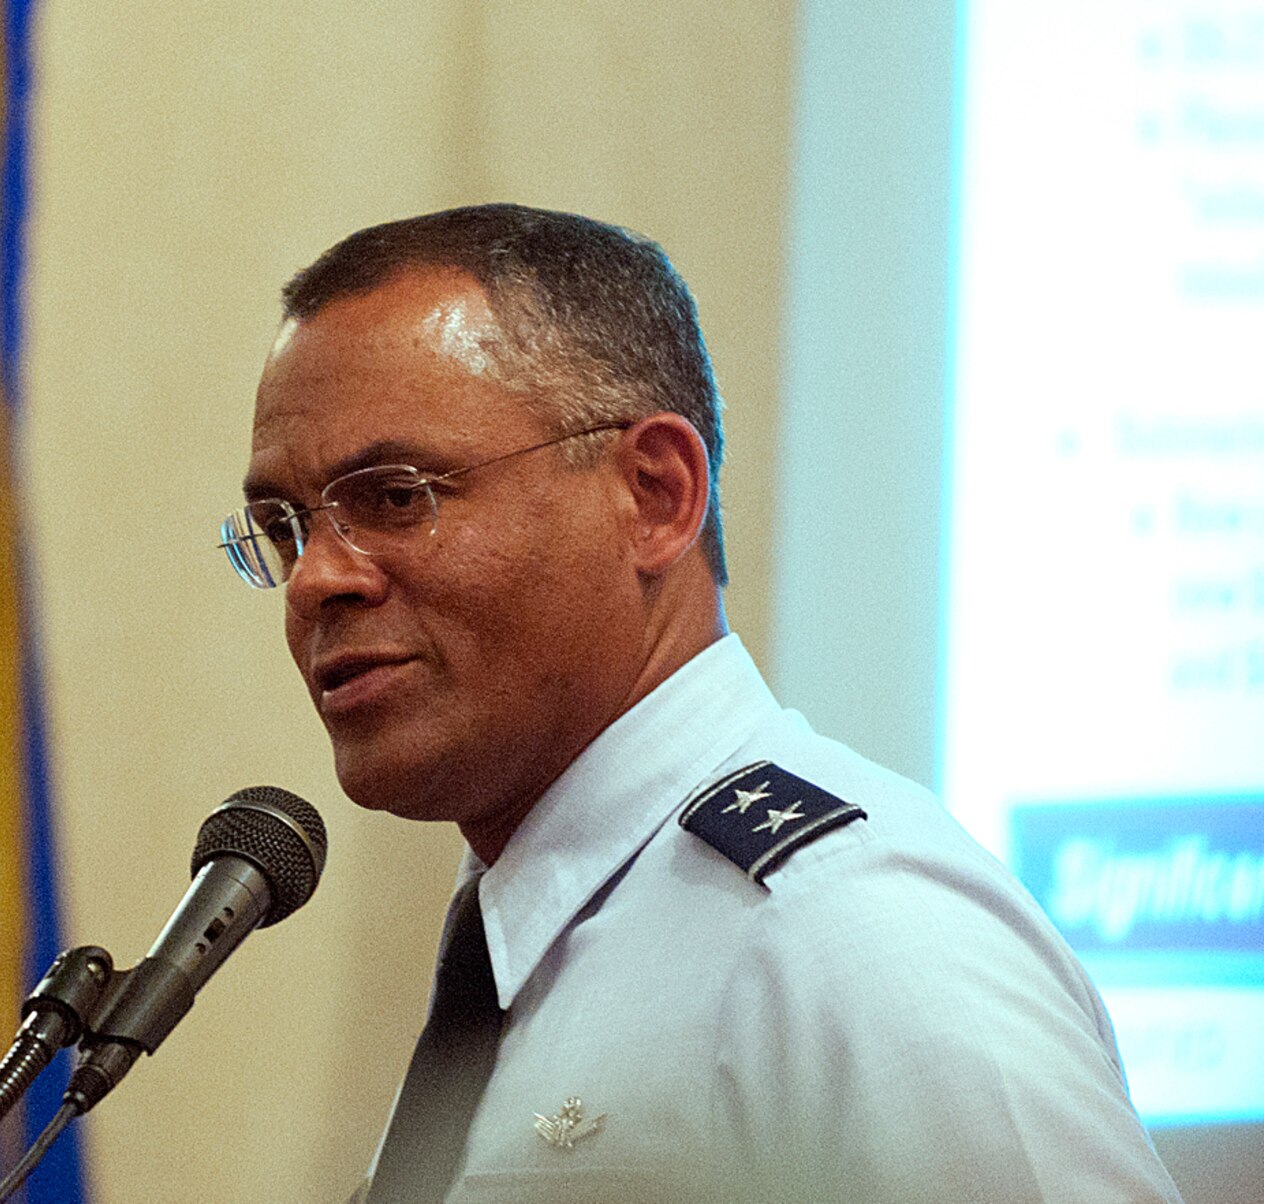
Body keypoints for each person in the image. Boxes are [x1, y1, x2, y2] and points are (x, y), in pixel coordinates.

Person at [219, 204, 1182, 1203]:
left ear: (653, 494)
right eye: (282, 526)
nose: (313, 580)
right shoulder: (527, 937)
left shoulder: (851, 932)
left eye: (394, 495)